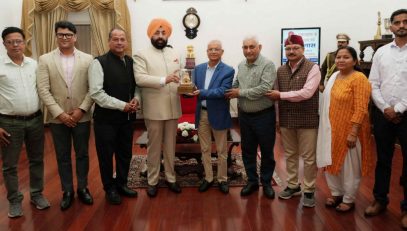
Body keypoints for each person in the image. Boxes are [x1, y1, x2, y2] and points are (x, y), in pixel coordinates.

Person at [36, 21, 94, 211]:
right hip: (57, 119)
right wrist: (60, 114)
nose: (64, 38)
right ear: (56, 36)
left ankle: (83, 188)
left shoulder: (88, 59)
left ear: (75, 37)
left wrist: (81, 110)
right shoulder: (45, 59)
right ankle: (67, 191)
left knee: (83, 154)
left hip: (82, 117)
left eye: (68, 35)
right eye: (61, 34)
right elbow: (43, 90)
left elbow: (93, 89)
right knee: (62, 156)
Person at [0, 27, 50, 218]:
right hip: (9, 123)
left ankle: (36, 194)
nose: (15, 45)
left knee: (37, 159)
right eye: (10, 41)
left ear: (24, 42)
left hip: (35, 120)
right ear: (4, 44)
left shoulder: (34, 64)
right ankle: (14, 201)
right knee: (10, 165)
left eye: (18, 41)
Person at [266, 34, 321, 207]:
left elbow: (307, 93)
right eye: (288, 48)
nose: (291, 51)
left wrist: (281, 95)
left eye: (295, 48)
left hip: (307, 119)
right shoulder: (281, 70)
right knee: (290, 155)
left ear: (303, 49)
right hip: (286, 119)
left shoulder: (313, 68)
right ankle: (292, 185)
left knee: (309, 157)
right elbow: (275, 99)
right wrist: (276, 119)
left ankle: (310, 189)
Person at [364, 9, 407, 228]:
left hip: (406, 115)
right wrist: (385, 108)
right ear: (391, 27)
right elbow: (373, 83)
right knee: (383, 160)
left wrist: (398, 108)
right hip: (383, 115)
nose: (401, 25)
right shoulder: (381, 52)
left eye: (405, 22)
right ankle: (380, 200)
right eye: (397, 22)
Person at [317, 46, 372, 212]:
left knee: (349, 167)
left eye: (346, 57)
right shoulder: (334, 76)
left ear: (355, 61)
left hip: (350, 130)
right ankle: (336, 192)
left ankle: (348, 198)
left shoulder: (359, 78)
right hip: (331, 129)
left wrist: (353, 132)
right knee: (331, 160)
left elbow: (361, 107)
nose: (341, 60)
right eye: (338, 57)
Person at [89, 28, 139, 205]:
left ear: (126, 42)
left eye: (122, 39)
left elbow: (136, 86)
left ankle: (122, 184)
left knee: (125, 154)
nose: (119, 42)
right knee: (106, 156)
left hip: (127, 120)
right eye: (115, 39)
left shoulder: (130, 61)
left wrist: (136, 99)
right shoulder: (99, 62)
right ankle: (109, 188)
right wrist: (122, 105)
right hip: (106, 121)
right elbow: (96, 93)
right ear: (109, 41)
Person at [134, 18, 182, 197]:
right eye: (157, 32)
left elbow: (180, 77)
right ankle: (152, 181)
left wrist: (186, 89)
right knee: (154, 147)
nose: (160, 36)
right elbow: (140, 79)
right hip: (154, 110)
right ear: (150, 34)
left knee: (170, 146)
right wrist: (164, 80)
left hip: (173, 108)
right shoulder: (141, 54)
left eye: (163, 33)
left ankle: (171, 178)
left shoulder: (175, 53)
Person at [225, 36, 276, 199]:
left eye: (251, 47)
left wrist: (240, 93)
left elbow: (265, 89)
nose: (248, 50)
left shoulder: (268, 65)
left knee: (267, 151)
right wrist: (224, 90)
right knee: (248, 150)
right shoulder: (241, 65)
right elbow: (236, 84)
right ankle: (252, 181)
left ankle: (267, 182)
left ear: (259, 47)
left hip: (264, 116)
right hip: (245, 116)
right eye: (245, 47)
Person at [189, 40, 235, 194]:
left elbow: (223, 91)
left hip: (219, 114)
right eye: (210, 49)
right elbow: (192, 87)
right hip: (202, 113)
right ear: (207, 51)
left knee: (221, 150)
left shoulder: (228, 70)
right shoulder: (199, 68)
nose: (213, 52)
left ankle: (222, 179)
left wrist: (201, 92)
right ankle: (208, 178)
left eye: (217, 49)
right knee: (205, 148)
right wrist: (187, 90)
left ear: (222, 52)